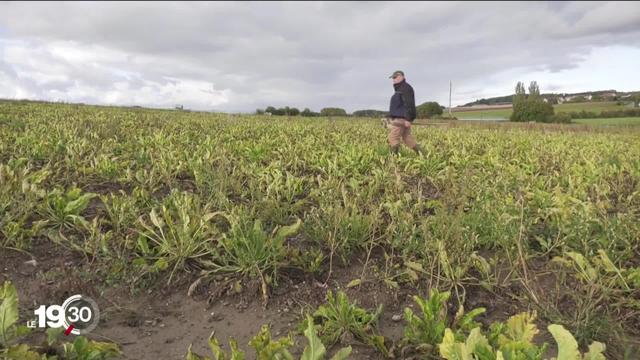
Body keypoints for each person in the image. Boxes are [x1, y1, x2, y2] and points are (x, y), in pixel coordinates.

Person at [387, 70, 422, 155]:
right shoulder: (401, 89)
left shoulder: (405, 88)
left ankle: (394, 160)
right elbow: (399, 105)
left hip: (401, 119)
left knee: (392, 138)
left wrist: (408, 119)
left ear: (401, 77)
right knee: (407, 138)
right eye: (393, 78)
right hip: (402, 118)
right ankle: (423, 154)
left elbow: (409, 104)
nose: (393, 80)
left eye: (395, 77)